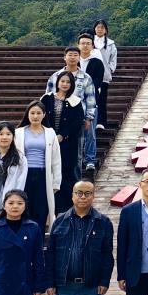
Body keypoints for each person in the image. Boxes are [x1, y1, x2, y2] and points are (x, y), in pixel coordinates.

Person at [46, 47, 97, 182]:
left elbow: (90, 99)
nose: (72, 57)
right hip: (56, 120)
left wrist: (89, 118)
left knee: (77, 153)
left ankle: (76, 183)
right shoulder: (55, 76)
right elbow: (48, 97)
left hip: (77, 120)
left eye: (75, 55)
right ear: (65, 57)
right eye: (70, 55)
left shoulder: (86, 77)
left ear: (79, 58)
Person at [40, 72, 85, 214]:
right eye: (62, 81)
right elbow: (40, 116)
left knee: (66, 174)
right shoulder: (47, 98)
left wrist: (63, 135)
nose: (65, 84)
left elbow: (78, 122)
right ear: (57, 82)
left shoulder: (75, 101)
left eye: (68, 82)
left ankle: (65, 208)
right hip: (47, 141)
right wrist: (51, 134)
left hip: (67, 144)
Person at [16, 100, 62, 230]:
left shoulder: (50, 133)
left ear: (44, 115)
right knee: (24, 208)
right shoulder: (19, 132)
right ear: (27, 114)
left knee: (41, 210)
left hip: (43, 175)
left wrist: (56, 182)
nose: (35, 116)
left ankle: (39, 239)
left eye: (38, 113)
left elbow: (56, 159)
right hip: (24, 175)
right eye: (32, 113)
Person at [78, 34, 105, 178]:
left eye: (88, 43)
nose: (85, 46)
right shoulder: (73, 61)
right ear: (78, 45)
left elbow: (96, 83)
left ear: (92, 46)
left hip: (90, 102)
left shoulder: (97, 63)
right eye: (83, 43)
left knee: (90, 134)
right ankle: (78, 159)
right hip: (74, 104)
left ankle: (89, 160)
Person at [93, 20, 117, 130]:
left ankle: (101, 122)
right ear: (94, 29)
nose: (100, 29)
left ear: (106, 30)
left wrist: (110, 69)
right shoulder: (90, 42)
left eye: (102, 27)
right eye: (98, 27)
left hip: (104, 75)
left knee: (102, 99)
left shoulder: (111, 44)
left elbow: (113, 58)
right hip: (91, 74)